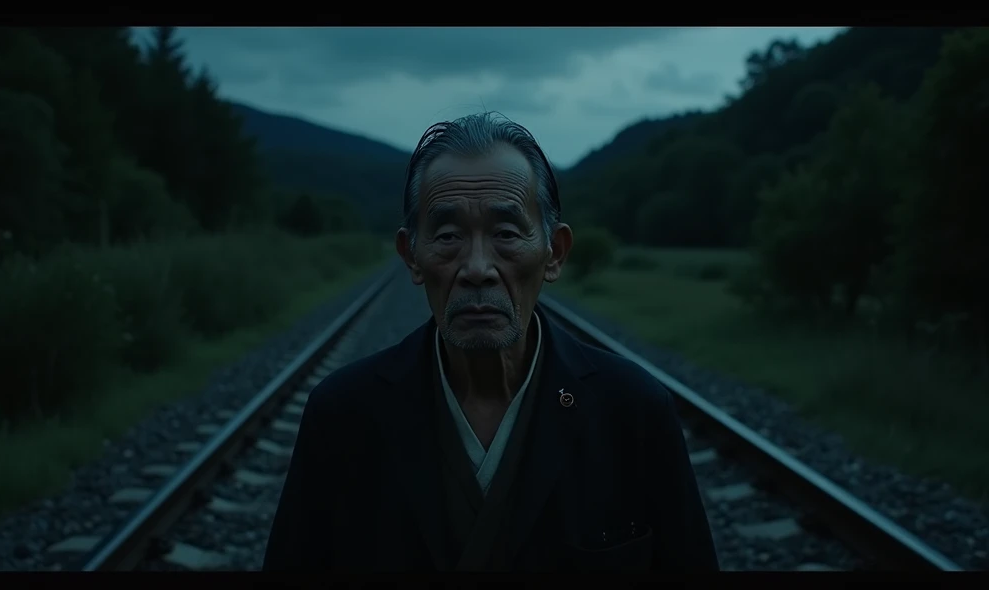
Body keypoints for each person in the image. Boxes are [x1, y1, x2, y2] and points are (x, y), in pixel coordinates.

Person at [262, 112, 718, 572]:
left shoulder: (633, 410)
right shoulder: (343, 416)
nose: (477, 267)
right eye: (448, 236)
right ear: (412, 256)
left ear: (554, 253)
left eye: (505, 234)